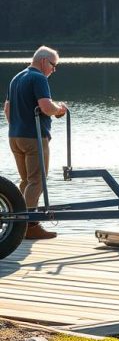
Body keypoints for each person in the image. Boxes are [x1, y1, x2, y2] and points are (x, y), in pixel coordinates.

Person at [4, 46, 68, 239]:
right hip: (33, 138)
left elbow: (7, 109)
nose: (54, 70)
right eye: (53, 65)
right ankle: (29, 226)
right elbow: (46, 107)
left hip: (15, 136)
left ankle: (16, 222)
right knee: (37, 180)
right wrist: (60, 109)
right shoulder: (38, 78)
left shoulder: (17, 77)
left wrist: (19, 125)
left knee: (26, 180)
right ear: (43, 61)